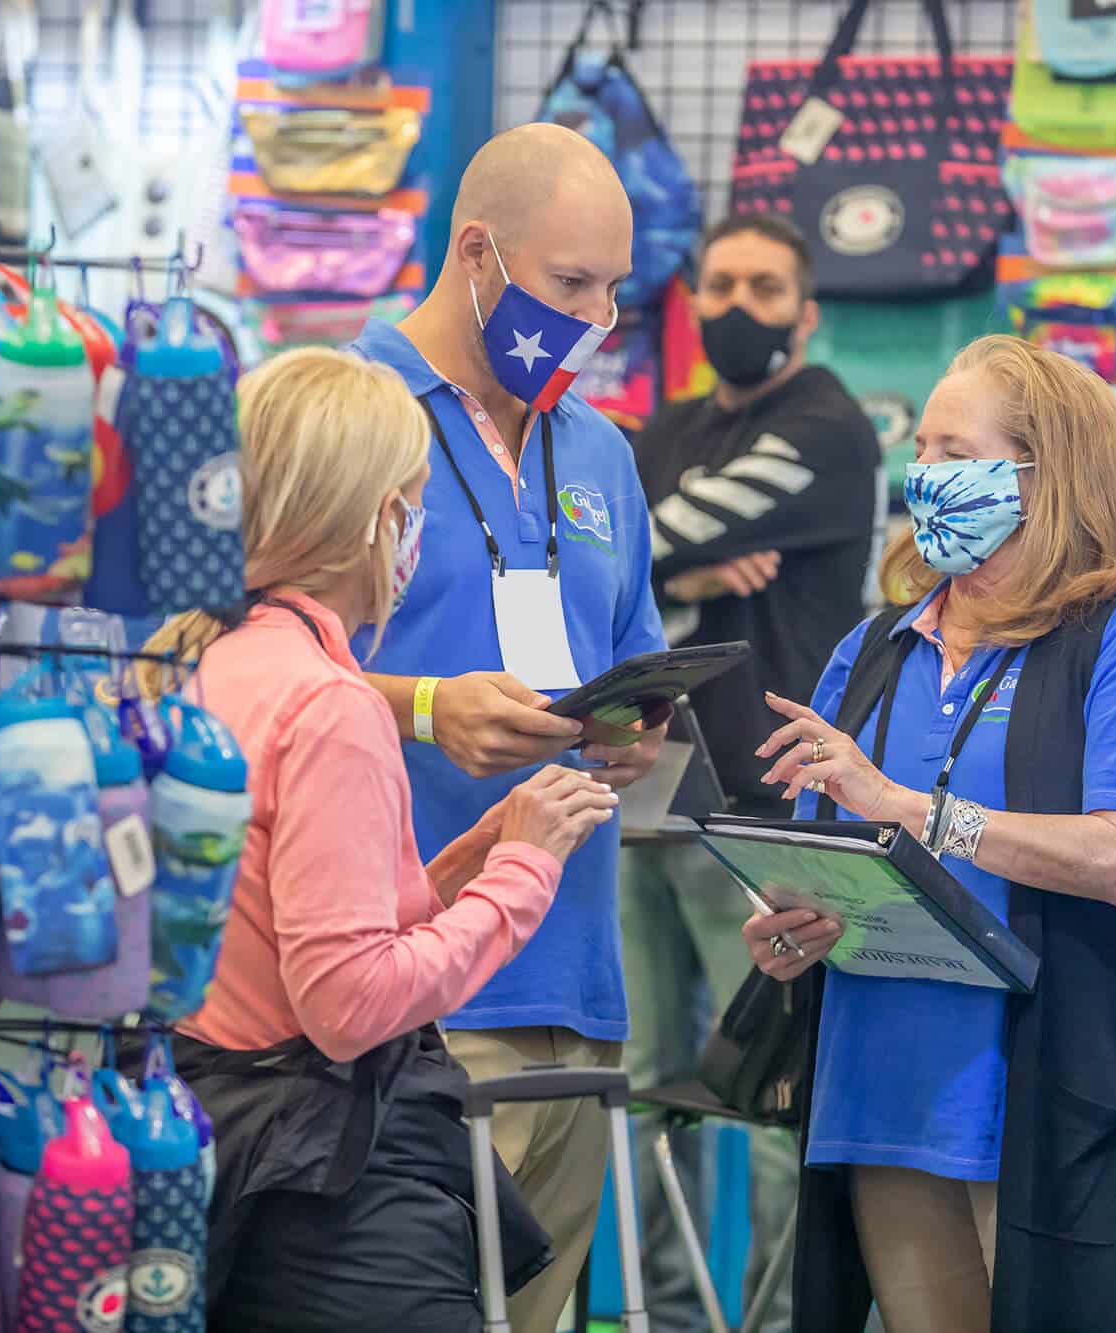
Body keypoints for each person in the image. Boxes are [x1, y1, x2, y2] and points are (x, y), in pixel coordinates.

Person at [135, 347, 622, 1329]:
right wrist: (521, 874)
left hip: (217, 1135)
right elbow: (348, 1003)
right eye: (411, 502)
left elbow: (284, 921)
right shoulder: (327, 705)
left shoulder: (200, 665)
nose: (418, 529)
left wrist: (462, 862)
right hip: (328, 1188)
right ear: (372, 520)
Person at [742, 335, 1116, 1333]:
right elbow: (824, 849)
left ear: (1046, 475)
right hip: (881, 1099)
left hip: (1046, 1111)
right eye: (919, 447)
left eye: (953, 451)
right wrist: (786, 916)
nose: (924, 474)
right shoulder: (875, 647)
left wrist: (913, 811)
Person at [350, 123, 670, 1333]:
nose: (594, 319)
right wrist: (427, 710)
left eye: (610, 290)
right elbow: (235, 666)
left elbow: (626, 656)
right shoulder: (352, 412)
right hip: (403, 997)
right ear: (474, 252)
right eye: (568, 286)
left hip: (575, 984)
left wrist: (632, 724)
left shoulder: (600, 449)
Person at [622, 212, 879, 1332]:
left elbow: (651, 533)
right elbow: (613, 559)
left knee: (774, 1093)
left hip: (770, 809)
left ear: (804, 311)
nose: (736, 306)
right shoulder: (662, 425)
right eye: (719, 282)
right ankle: (656, 1315)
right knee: (636, 1080)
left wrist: (668, 562)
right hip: (645, 794)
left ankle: (779, 1323)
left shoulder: (826, 424)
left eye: (764, 288)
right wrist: (687, 580)